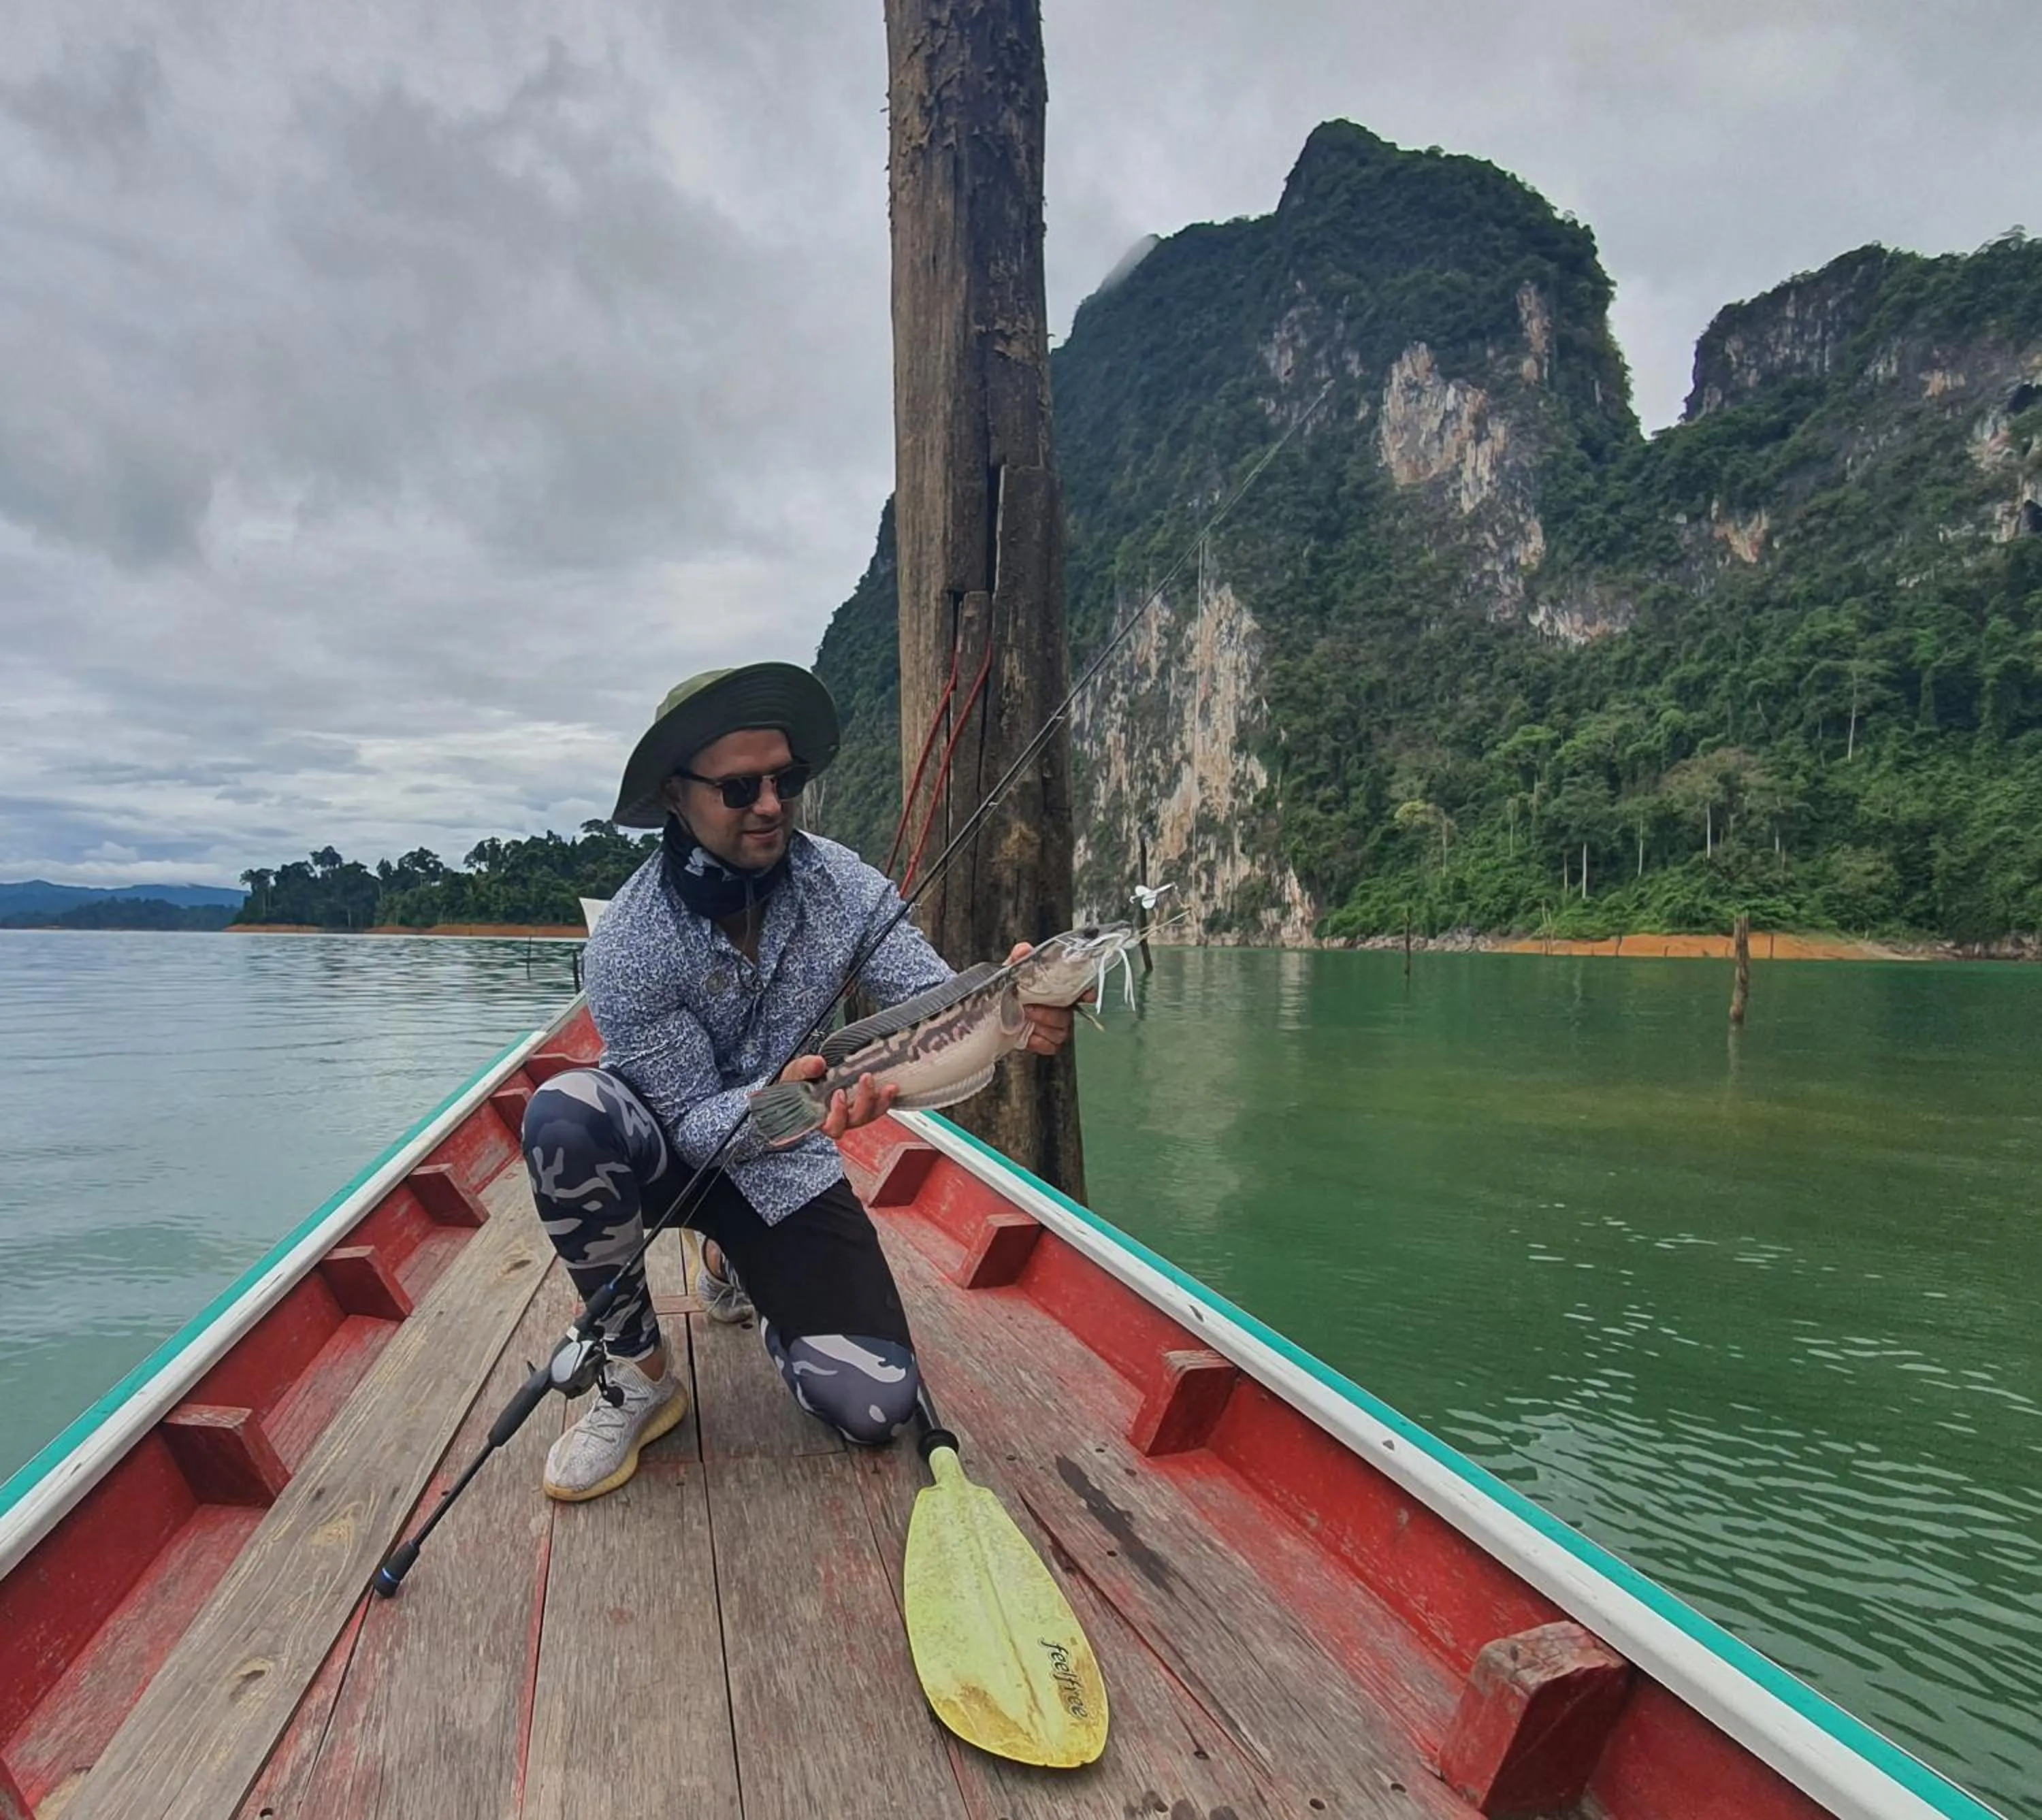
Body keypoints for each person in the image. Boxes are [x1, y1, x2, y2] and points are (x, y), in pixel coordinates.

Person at [520, 662, 1078, 1501]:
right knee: (565, 1116)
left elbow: (930, 996)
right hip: (673, 1153)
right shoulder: (630, 941)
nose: (772, 806)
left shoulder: (844, 887)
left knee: (875, 1406)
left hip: (787, 1165)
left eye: (785, 780)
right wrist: (786, 1099)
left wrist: (1014, 1008)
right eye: (740, 788)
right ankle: (639, 1379)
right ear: (677, 795)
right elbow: (687, 1126)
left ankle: (736, 1262)